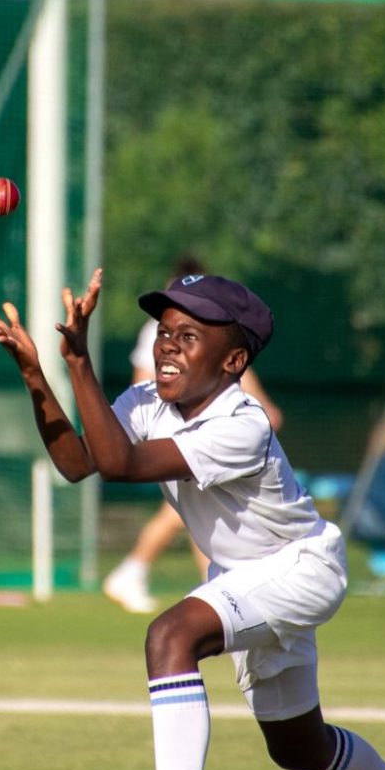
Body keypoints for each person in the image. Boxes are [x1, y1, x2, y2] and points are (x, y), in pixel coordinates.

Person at [0, 270, 385, 770]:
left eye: (189, 337)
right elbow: (79, 463)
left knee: (170, 636)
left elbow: (120, 466)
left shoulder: (242, 425)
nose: (167, 344)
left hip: (301, 569)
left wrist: (78, 363)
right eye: (164, 331)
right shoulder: (146, 403)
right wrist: (33, 373)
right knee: (296, 746)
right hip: (241, 577)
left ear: (232, 362)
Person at [103, 255, 283, 614]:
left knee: (205, 514)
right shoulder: (161, 337)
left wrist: (262, 404)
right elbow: (145, 380)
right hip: (174, 428)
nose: (170, 341)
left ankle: (209, 587)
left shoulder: (215, 340)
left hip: (206, 426)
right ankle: (133, 570)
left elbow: (228, 368)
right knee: (182, 515)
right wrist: (145, 415)